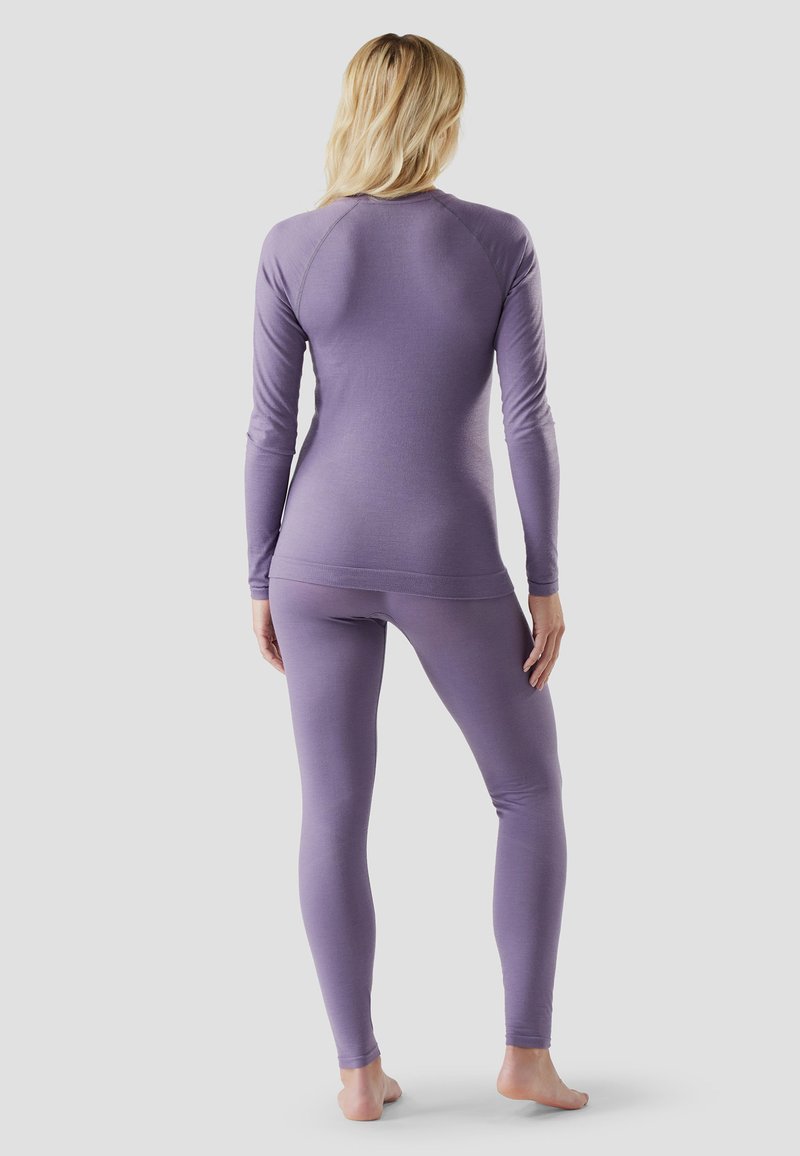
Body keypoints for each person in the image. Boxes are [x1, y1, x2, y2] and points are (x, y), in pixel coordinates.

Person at [244, 32, 588, 1121]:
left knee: (332, 809)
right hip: (447, 555)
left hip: (312, 554)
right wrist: (543, 577)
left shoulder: (294, 245)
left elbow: (267, 428)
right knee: (526, 793)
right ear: (441, 118)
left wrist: (257, 576)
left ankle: (358, 1074)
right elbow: (528, 420)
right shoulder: (496, 240)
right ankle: (525, 1057)